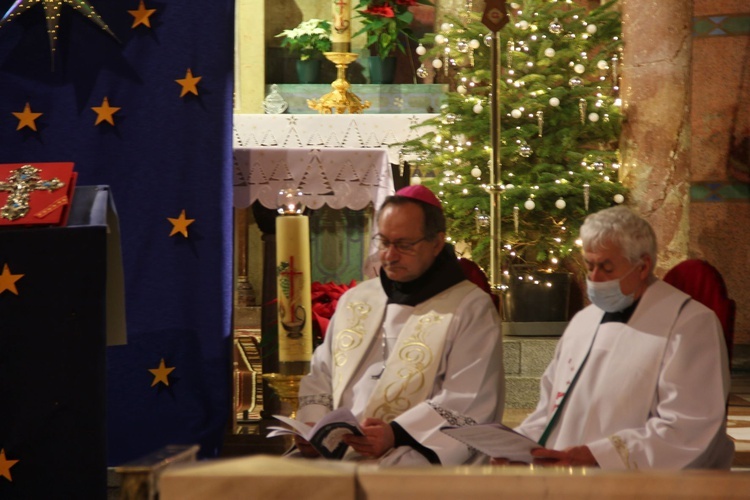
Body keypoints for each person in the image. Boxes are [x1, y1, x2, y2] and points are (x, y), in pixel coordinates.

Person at [492, 205, 734, 470]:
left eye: (606, 267)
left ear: (642, 267)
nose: (594, 278)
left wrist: (601, 455)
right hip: (567, 478)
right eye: (589, 265)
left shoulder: (689, 324)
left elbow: (688, 426)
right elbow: (552, 410)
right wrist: (520, 445)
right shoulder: (584, 322)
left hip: (641, 485)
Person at [295, 184, 504, 466]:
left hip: (415, 450)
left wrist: (396, 434)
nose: (390, 256)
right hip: (339, 450)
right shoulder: (356, 299)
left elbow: (469, 398)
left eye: (404, 245)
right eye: (383, 242)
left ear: (437, 243)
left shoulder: (469, 307)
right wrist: (314, 429)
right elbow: (321, 375)